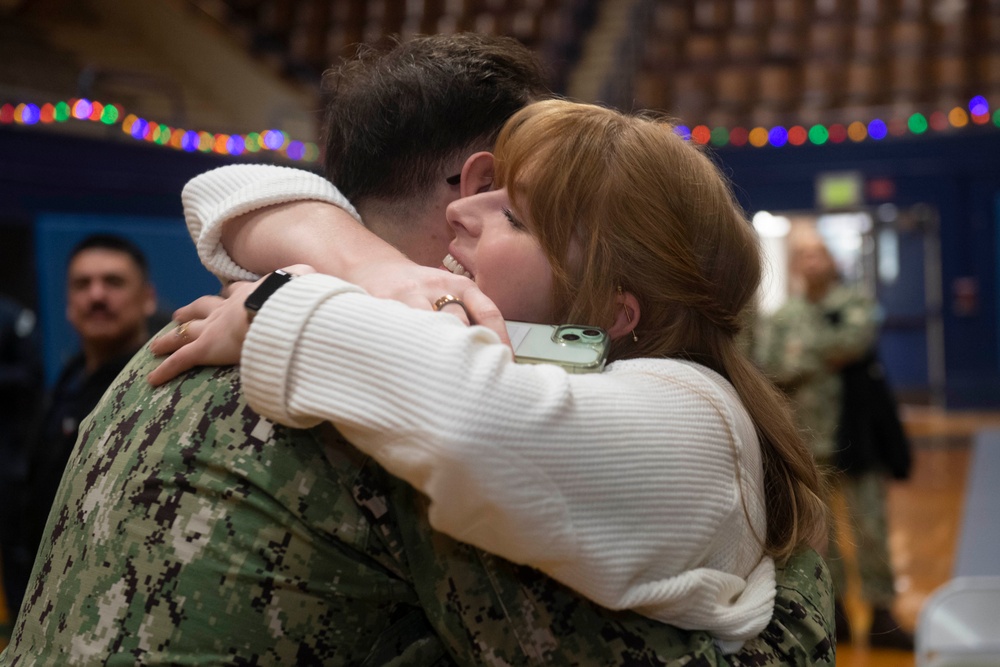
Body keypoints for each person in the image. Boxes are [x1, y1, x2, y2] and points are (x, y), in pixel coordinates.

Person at [3, 36, 834, 664]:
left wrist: (282, 304)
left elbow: (481, 404)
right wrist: (364, 281)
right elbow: (227, 190)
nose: (478, 214)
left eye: (517, 210)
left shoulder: (680, 412)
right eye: (488, 189)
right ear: (463, 182)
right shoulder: (443, 377)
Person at [754, 231, 914, 649]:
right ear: (794, 266)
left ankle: (882, 613)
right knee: (821, 536)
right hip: (809, 442)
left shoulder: (854, 304)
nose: (811, 260)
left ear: (833, 261)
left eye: (819, 253)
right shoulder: (784, 316)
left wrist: (801, 356)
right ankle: (836, 612)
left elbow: (854, 341)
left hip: (857, 436)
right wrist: (818, 354)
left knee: (871, 526)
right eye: (803, 255)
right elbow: (771, 366)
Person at [2, 234, 157, 617]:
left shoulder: (161, 390)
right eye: (82, 284)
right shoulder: (67, 383)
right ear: (69, 305)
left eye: (114, 282)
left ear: (147, 299)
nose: (97, 295)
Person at [0, 295, 42, 622]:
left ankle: (21, 620)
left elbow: (30, 374)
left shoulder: (12, 315)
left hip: (10, 456)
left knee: (17, 548)